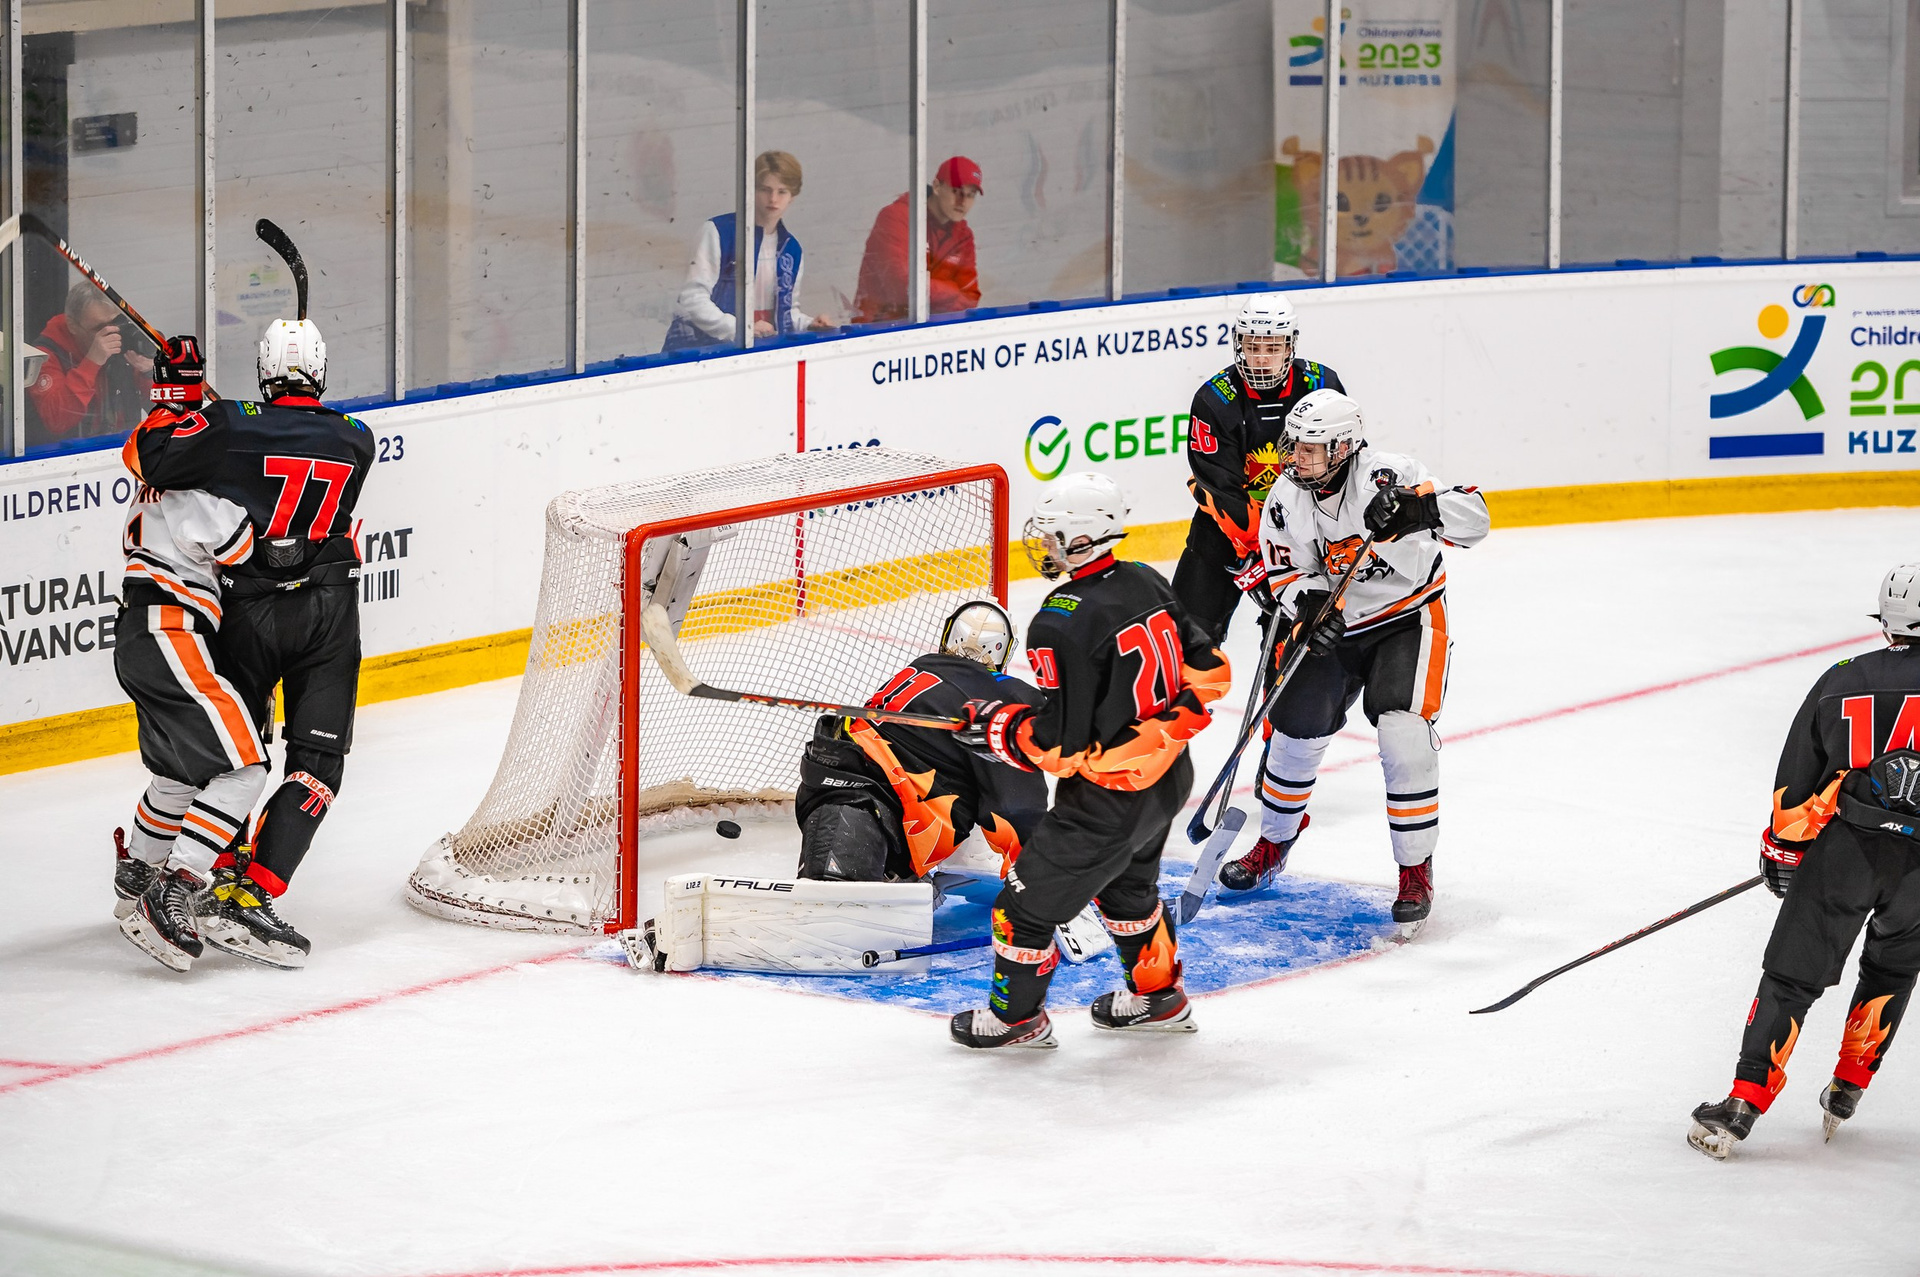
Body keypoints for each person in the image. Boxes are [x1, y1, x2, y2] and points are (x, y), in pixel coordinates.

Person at [120, 313, 374, 968]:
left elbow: (152, 458)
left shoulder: (229, 423)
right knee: (316, 765)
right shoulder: (359, 439)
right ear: (320, 372)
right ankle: (249, 891)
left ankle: (194, 877)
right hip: (328, 609)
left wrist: (186, 403)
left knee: (232, 754)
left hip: (247, 609)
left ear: (263, 373)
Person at [947, 473, 1231, 1049]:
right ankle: (1160, 997)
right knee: (1129, 891)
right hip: (1169, 778)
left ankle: (1017, 1019)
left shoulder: (1059, 621)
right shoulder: (1145, 578)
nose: (1043, 544)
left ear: (1080, 539)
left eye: (1052, 535)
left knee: (1020, 911)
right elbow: (1209, 670)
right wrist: (1155, 731)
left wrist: (1000, 728)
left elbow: (1061, 747)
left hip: (1106, 801)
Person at [1218, 389, 1488, 937]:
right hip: (1337, 625)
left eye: (1311, 449)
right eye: (1294, 445)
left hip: (1408, 617)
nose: (1296, 458)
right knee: (1293, 726)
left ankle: (1414, 870)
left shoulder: (1391, 474)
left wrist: (1421, 510)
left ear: (1343, 448)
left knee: (1404, 732)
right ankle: (1274, 841)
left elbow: (1476, 520)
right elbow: (1286, 573)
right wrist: (1309, 608)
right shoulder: (1285, 498)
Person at [1688, 565, 1920, 1159]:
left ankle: (1743, 1104)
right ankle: (1848, 1088)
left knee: (1792, 976)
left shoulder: (1843, 678)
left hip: (1847, 853)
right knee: (1892, 972)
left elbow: (1799, 777)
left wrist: (1784, 850)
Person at [110, 336, 271, 971]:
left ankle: (136, 877)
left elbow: (164, 433)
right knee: (245, 768)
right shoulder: (198, 498)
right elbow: (245, 552)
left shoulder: (151, 484)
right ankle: (176, 888)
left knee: (178, 777)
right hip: (172, 633)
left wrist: (183, 392)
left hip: (137, 638)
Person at [793, 601, 1047, 884]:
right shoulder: (1005, 697)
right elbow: (1016, 807)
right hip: (877, 800)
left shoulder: (922, 666)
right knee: (836, 897)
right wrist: (1036, 876)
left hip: (833, 775)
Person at [1172, 293, 1343, 648]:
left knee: (1297, 647)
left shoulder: (1322, 387)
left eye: (1272, 348)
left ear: (1290, 346)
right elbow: (1222, 490)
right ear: (1239, 344)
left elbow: (1343, 462)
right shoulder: (1215, 400)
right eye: (1253, 347)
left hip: (1302, 533)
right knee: (1184, 639)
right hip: (1225, 533)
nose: (1262, 358)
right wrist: (1255, 558)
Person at [661, 150, 832, 351]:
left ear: (792, 197)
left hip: (760, 352)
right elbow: (692, 299)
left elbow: (786, 312)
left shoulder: (792, 250)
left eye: (782, 192)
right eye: (765, 190)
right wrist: (740, 329)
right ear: (751, 189)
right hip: (701, 352)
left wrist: (809, 325)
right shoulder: (718, 232)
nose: (773, 199)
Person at [851, 156, 983, 324]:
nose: (962, 202)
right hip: (878, 330)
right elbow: (902, 287)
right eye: (956, 191)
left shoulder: (963, 236)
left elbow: (969, 298)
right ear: (937, 187)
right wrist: (951, 291)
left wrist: (931, 292)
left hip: (934, 331)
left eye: (970, 195)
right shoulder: (897, 217)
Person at [27, 280, 154, 445]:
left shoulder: (125, 344)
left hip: (125, 446)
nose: (111, 334)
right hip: (70, 453)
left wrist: (150, 374)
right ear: (72, 325)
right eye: (100, 328)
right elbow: (57, 420)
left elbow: (169, 411)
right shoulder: (46, 354)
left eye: (115, 323)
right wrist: (92, 362)